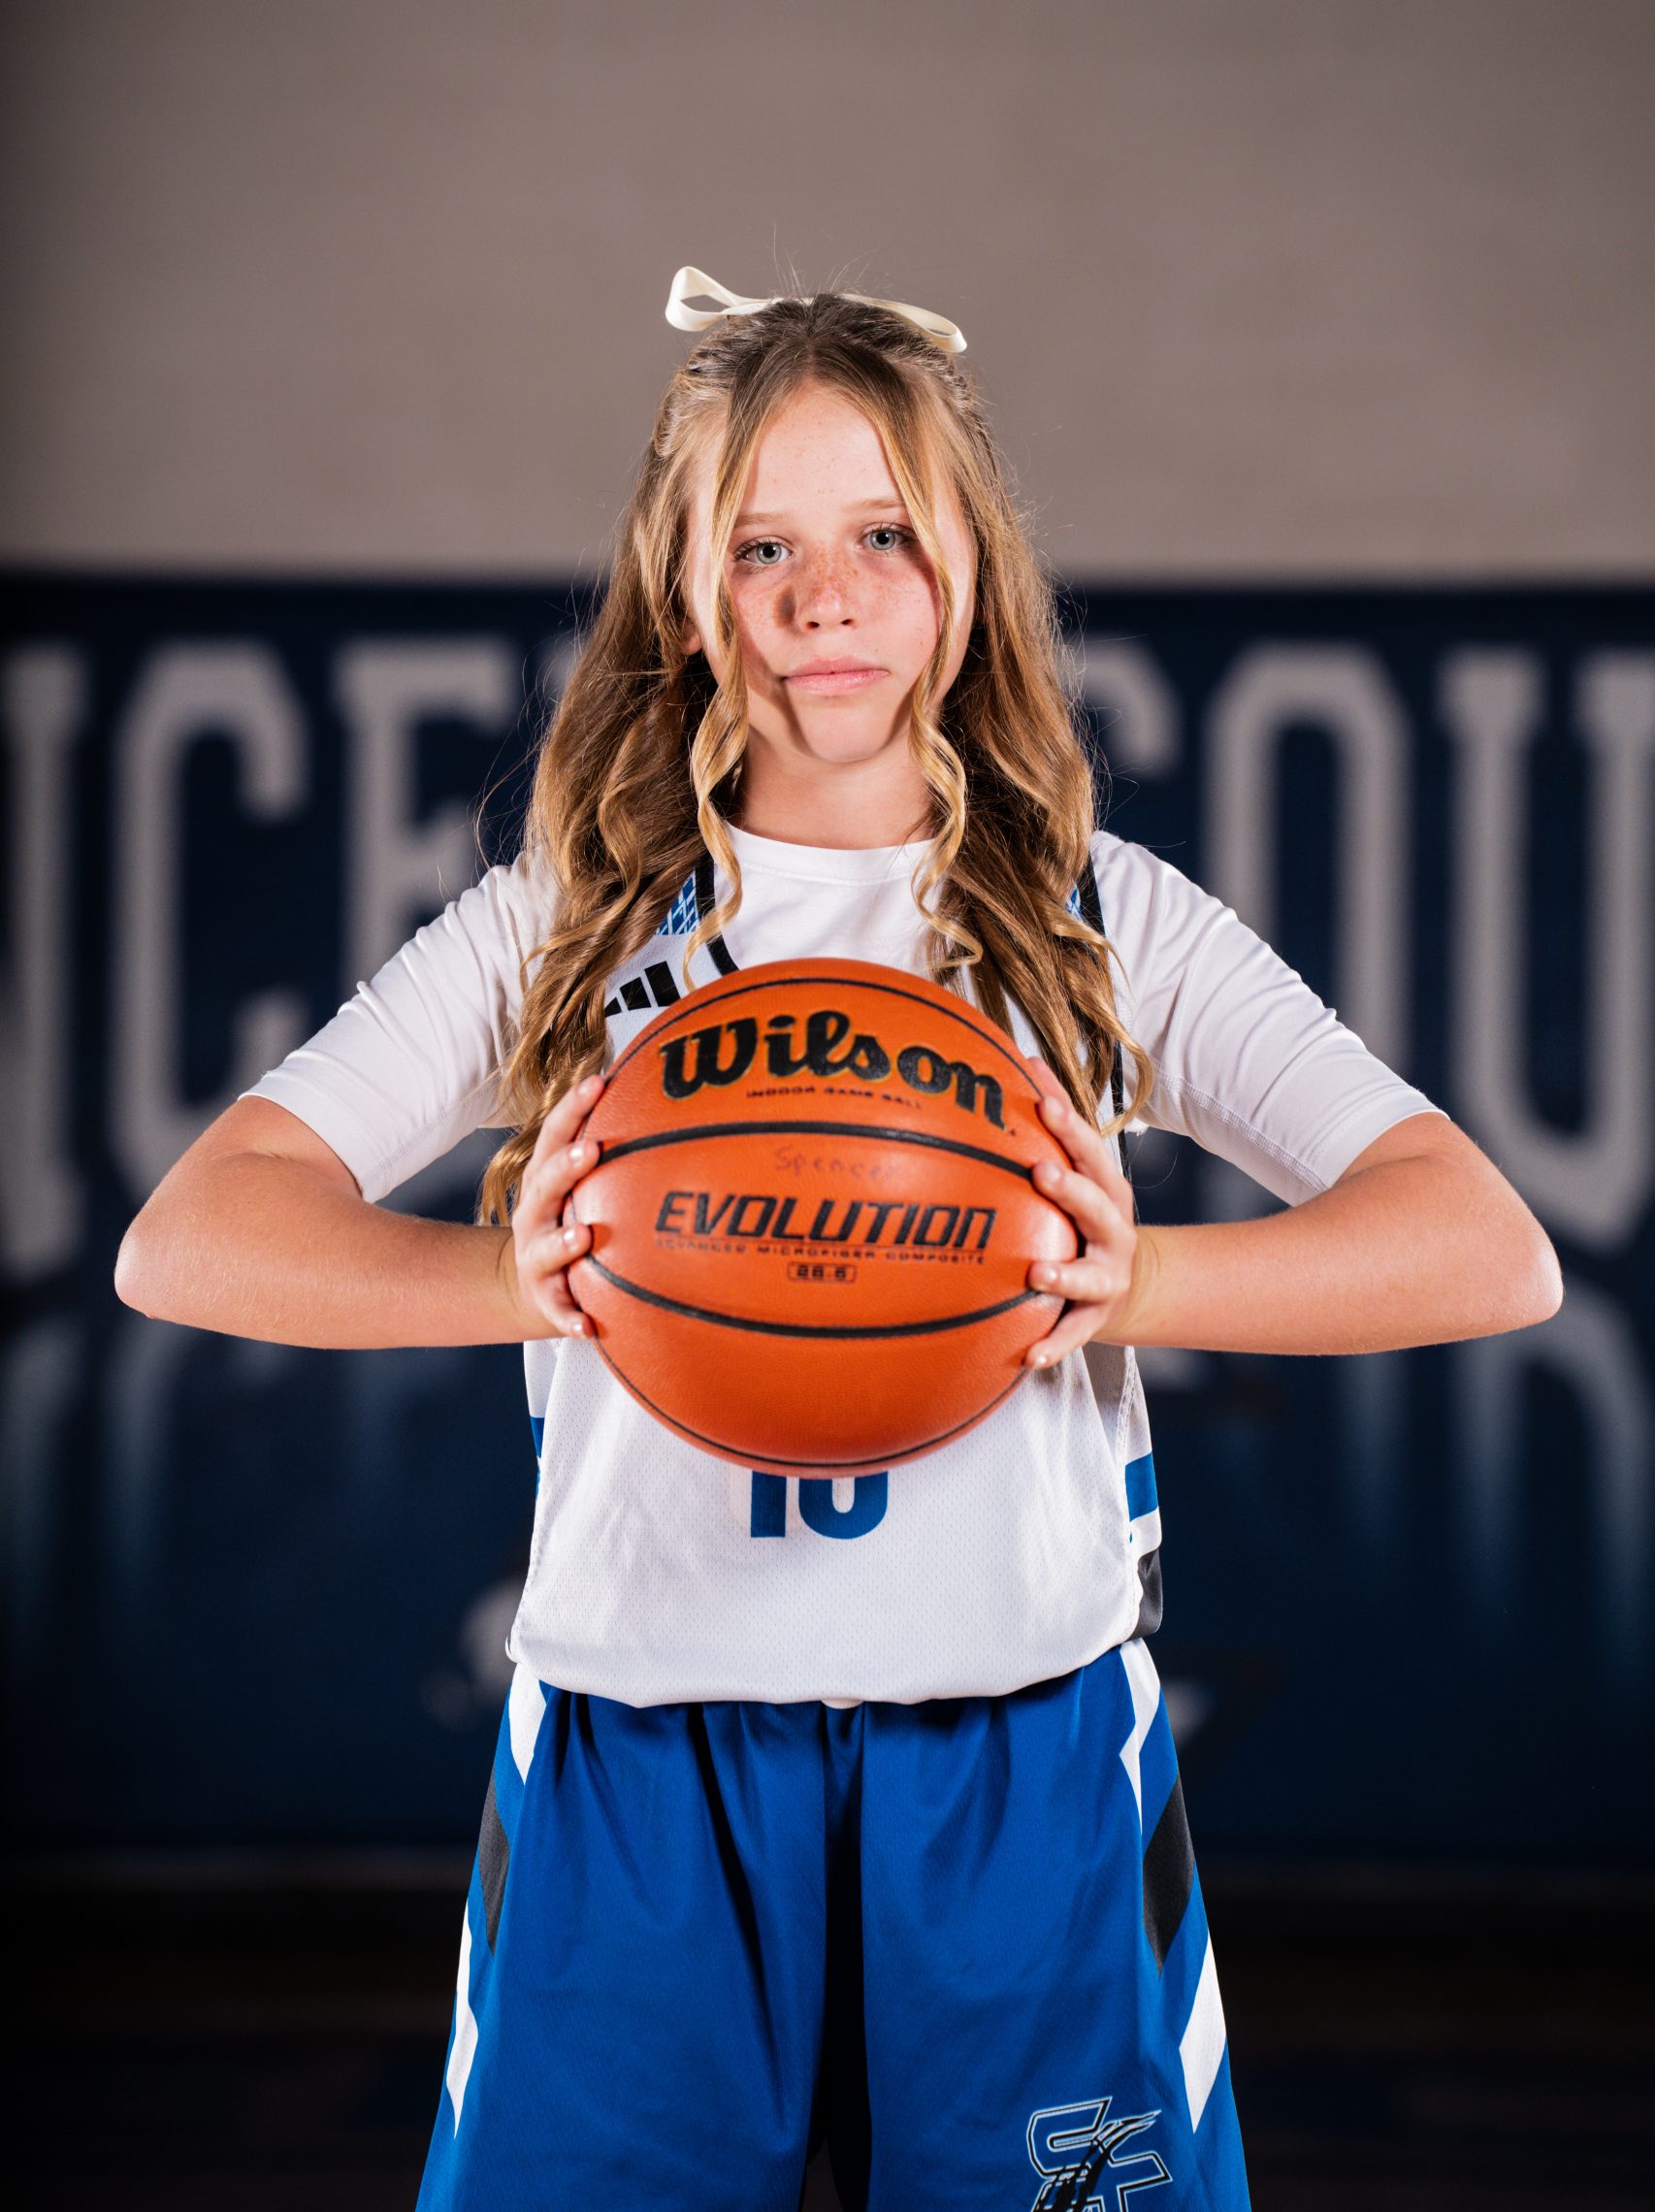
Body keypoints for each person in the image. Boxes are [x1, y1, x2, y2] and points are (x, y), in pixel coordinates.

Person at [115, 267, 1562, 2212]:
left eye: (883, 534)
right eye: (762, 545)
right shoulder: (569, 922)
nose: (826, 595)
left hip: (1020, 1759)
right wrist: (502, 1276)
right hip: (639, 1756)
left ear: (968, 573)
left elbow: (1480, 1243)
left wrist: (1137, 1277)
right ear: (682, 595)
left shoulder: (1090, 920)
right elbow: (192, 1233)